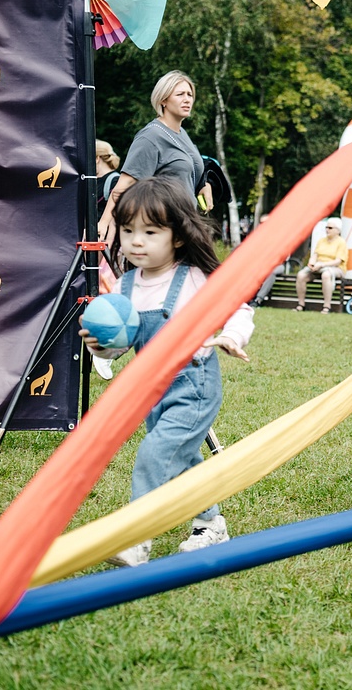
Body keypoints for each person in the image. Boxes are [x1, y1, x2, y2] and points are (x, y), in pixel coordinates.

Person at [81, 176, 253, 566]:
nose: (136, 241)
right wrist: (103, 346)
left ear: (177, 236)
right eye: (128, 231)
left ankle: (135, 537)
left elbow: (239, 308)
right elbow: (125, 341)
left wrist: (233, 336)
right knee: (182, 459)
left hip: (194, 386)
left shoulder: (193, 277)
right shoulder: (125, 286)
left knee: (155, 454)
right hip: (152, 391)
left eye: (150, 232)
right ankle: (211, 524)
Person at [97, 71, 213, 244]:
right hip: (162, 228)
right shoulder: (151, 136)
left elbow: (184, 168)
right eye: (180, 94)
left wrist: (204, 184)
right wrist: (104, 222)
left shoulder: (182, 134)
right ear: (163, 100)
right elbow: (125, 183)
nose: (187, 99)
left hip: (187, 225)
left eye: (190, 94)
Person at [92, 140, 124, 381]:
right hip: (92, 247)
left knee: (112, 294)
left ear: (97, 158)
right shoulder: (91, 182)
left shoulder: (114, 181)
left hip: (109, 250)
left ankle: (105, 348)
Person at [293, 218, 347, 313]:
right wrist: (311, 263)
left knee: (326, 275)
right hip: (318, 267)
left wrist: (322, 265)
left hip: (335, 269)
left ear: (338, 230)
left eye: (330, 228)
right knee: (301, 275)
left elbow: (338, 261)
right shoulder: (321, 241)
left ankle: (327, 306)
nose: (327, 230)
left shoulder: (341, 242)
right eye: (326, 227)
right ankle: (301, 304)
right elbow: (315, 255)